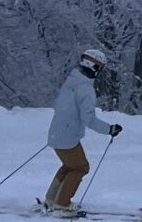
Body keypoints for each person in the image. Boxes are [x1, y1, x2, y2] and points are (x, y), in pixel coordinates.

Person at [45, 46, 121, 212]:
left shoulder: (71, 82)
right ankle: (61, 204)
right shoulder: (85, 89)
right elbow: (89, 119)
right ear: (94, 67)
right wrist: (110, 129)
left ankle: (52, 199)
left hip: (57, 133)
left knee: (69, 166)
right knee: (81, 167)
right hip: (67, 137)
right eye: (99, 68)